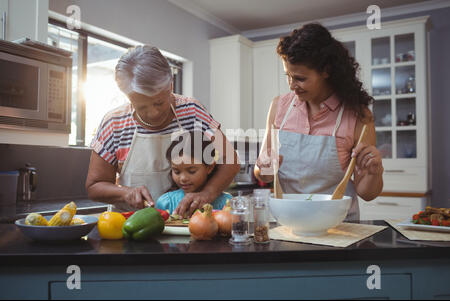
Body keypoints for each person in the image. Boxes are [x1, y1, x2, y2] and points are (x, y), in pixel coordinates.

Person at [86, 45, 239, 216]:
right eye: (142, 106)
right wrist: (126, 193)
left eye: (159, 102)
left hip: (186, 224)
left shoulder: (192, 111)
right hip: (131, 226)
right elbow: (94, 186)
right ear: (128, 97)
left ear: (170, 86)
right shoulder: (113, 123)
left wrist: (207, 193)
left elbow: (230, 159)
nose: (153, 113)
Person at [254, 23, 384, 221]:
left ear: (326, 71)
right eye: (288, 76)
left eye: (300, 78)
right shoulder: (279, 106)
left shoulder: (358, 115)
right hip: (289, 223)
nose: (292, 86)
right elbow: (262, 174)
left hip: (339, 227)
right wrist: (264, 167)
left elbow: (367, 193)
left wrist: (374, 173)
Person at [156, 131, 232, 215]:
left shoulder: (226, 203)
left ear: (209, 167)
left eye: (191, 171)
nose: (183, 178)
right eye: (176, 171)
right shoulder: (165, 203)